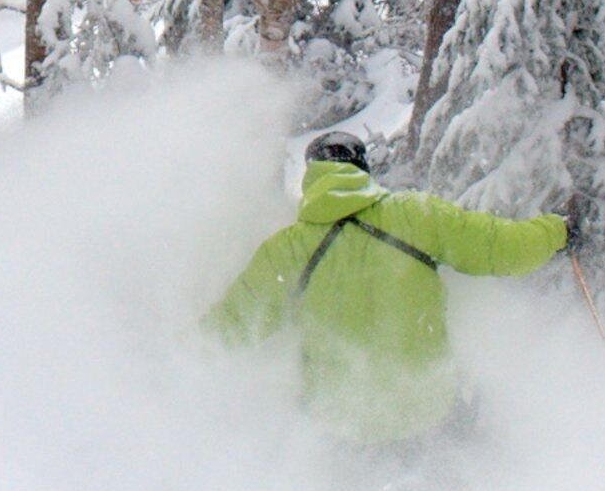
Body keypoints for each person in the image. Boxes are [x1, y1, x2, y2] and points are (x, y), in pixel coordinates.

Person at [209, 133, 569, 443]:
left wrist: (160, 363)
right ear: (364, 171)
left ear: (311, 178)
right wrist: (558, 232)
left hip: (340, 426)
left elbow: (232, 325)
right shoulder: (416, 216)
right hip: (427, 415)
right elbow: (502, 248)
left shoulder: (288, 250)